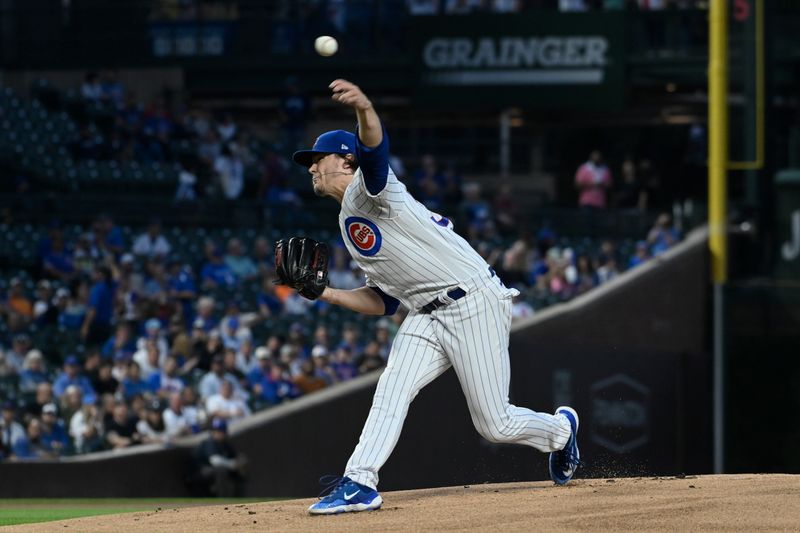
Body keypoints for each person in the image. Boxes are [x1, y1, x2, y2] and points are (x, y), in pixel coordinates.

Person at [286, 79, 580, 515]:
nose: (311, 168)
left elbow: (375, 152)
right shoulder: (350, 223)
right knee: (391, 388)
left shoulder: (373, 192)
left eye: (319, 159)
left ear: (346, 161)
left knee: (494, 424)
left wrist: (366, 108)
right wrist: (324, 292)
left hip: (473, 301)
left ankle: (559, 432)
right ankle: (359, 483)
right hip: (425, 313)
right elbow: (385, 301)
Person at [189, 418, 246, 497]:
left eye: (219, 431)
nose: (217, 433)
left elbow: (236, 457)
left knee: (241, 468)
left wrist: (239, 462)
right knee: (221, 470)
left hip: (212, 471)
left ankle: (239, 498)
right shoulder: (209, 442)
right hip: (198, 472)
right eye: (215, 431)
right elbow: (215, 461)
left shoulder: (224, 443)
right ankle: (223, 499)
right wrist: (233, 465)